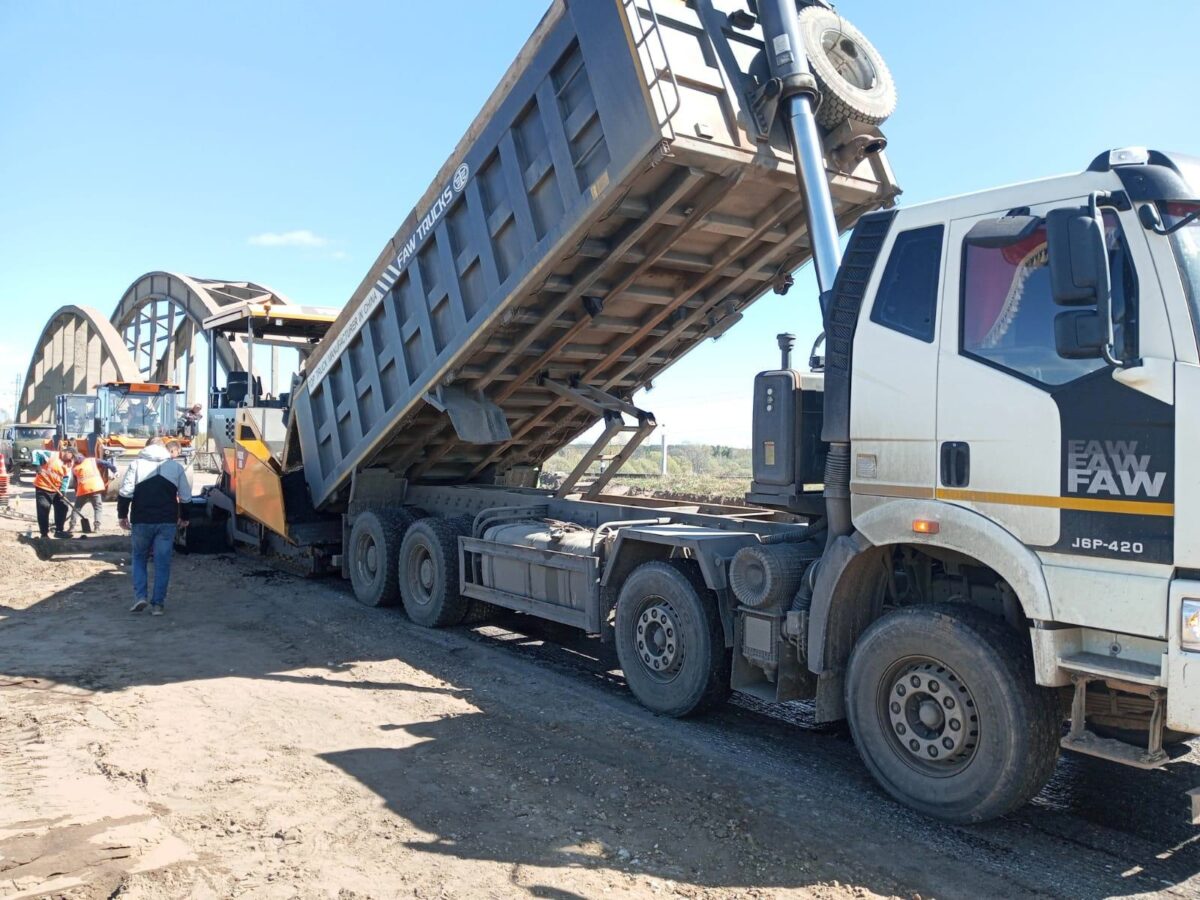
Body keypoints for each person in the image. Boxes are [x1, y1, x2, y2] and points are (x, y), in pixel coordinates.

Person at [118, 436, 192, 616]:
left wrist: (122, 515)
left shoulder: (136, 465)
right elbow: (186, 496)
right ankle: (158, 604)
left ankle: (140, 597)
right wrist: (185, 516)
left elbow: (125, 492)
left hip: (141, 520)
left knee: (139, 558)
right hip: (167, 521)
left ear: (146, 447)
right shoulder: (175, 467)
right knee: (162, 562)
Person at [67, 452, 117, 534]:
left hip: (83, 489)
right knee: (98, 508)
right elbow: (107, 463)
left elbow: (76, 482)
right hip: (95, 488)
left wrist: (77, 493)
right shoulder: (92, 460)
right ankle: (97, 527)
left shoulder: (74, 467)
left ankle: (72, 527)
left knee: (76, 509)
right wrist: (115, 470)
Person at [33, 446, 76, 538]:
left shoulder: (69, 463)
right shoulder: (52, 455)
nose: (71, 459)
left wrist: (63, 490)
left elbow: (66, 477)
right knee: (44, 508)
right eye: (71, 456)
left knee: (63, 507)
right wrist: (37, 464)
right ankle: (44, 534)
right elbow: (35, 452)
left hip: (57, 489)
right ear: (66, 452)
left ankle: (59, 530)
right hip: (43, 487)